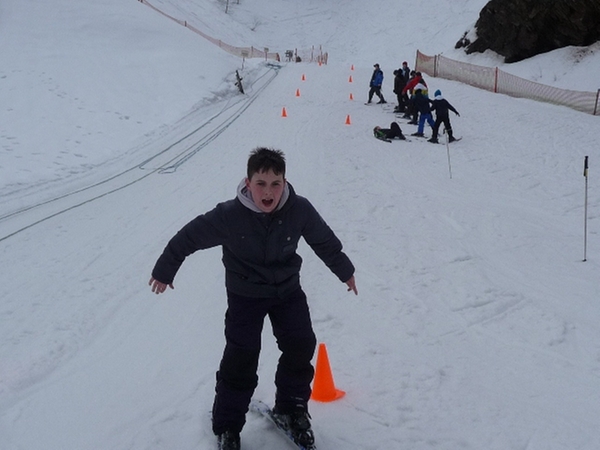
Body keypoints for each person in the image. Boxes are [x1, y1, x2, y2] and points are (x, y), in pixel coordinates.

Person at [149, 147, 357, 450]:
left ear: (285, 182)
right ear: (248, 183)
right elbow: (188, 237)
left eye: (275, 184)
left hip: (287, 291)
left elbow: (324, 242)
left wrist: (345, 271)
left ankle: (291, 408)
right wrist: (165, 270)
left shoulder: (299, 209)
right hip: (245, 295)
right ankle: (227, 426)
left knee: (300, 345)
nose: (268, 192)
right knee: (241, 357)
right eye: (261, 183)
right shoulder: (229, 216)